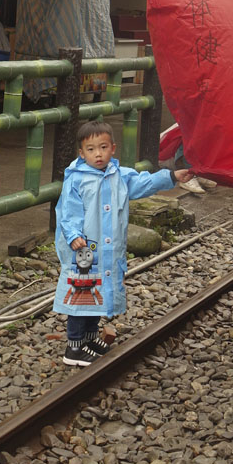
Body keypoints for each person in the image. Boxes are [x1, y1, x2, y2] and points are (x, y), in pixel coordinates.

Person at [54, 120, 192, 366]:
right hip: (85, 250)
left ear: (113, 148)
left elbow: (144, 183)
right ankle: (73, 346)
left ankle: (89, 338)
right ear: (81, 153)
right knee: (81, 295)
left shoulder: (120, 176)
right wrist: (74, 235)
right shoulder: (76, 179)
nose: (98, 154)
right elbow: (68, 211)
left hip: (108, 250)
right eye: (91, 149)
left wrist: (171, 176)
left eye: (103, 147)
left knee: (98, 294)